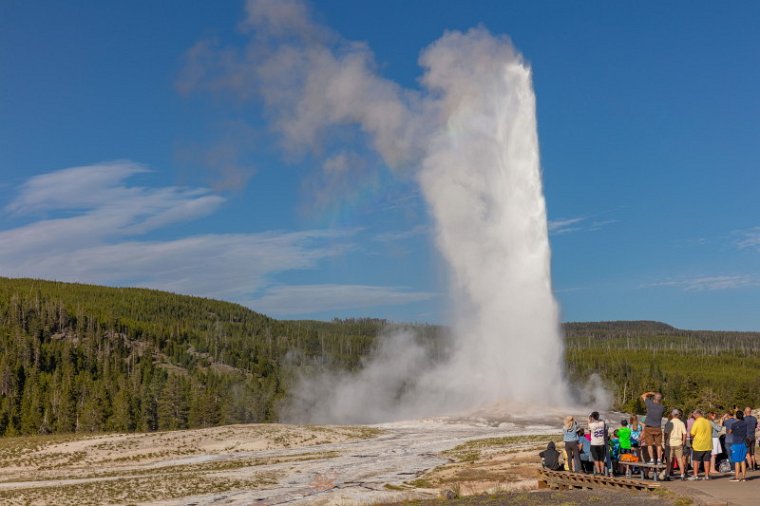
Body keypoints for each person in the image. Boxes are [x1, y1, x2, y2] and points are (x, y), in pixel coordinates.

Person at [640, 391, 665, 464]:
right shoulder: (662, 407)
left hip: (649, 427)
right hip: (657, 427)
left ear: (654, 398)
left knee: (650, 444)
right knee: (658, 444)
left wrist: (651, 392)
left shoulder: (649, 404)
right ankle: (659, 460)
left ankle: (651, 459)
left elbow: (643, 395)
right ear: (660, 399)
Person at [663, 409, 687, 480]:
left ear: (672, 414)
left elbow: (666, 433)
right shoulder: (681, 423)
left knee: (669, 460)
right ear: (678, 415)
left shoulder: (669, 423)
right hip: (678, 442)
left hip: (669, 443)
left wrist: (665, 441)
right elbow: (685, 434)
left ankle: (667, 475)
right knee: (679, 459)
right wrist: (683, 442)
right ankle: (682, 475)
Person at [689, 409, 713, 480]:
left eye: (694, 414)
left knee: (696, 460)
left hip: (699, 444)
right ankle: (707, 475)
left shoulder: (696, 422)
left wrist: (692, 439)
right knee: (707, 460)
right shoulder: (708, 422)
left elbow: (692, 433)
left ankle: (696, 475)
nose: (693, 416)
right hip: (708, 444)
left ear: (697, 414)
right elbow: (711, 432)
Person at [728, 410, 748, 482]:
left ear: (736, 416)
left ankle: (736, 477)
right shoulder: (745, 423)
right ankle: (744, 477)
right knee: (742, 460)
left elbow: (729, 432)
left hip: (736, 444)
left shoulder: (734, 424)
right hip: (743, 443)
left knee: (737, 461)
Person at [589, 411, 607, 475]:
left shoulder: (591, 425)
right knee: (601, 458)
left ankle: (598, 471)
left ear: (593, 417)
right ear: (598, 416)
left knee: (596, 458)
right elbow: (603, 420)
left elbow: (589, 421)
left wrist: (590, 417)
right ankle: (602, 471)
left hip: (594, 443)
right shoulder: (602, 423)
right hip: (602, 443)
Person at [744, 407, 757, 471]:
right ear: (750, 411)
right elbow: (755, 426)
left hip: (747, 437)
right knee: (752, 453)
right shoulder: (754, 418)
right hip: (753, 437)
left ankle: (750, 467)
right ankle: (754, 467)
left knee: (747, 453)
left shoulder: (744, 419)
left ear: (745, 412)